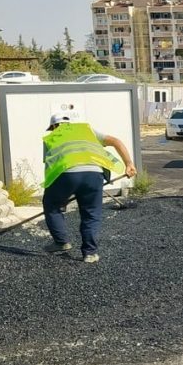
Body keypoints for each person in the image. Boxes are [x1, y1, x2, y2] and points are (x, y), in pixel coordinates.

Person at [42, 112, 137, 263]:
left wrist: (59, 195)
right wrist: (129, 164)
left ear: (53, 126)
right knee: (91, 213)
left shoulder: (52, 137)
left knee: (51, 206)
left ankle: (61, 242)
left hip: (66, 174)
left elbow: (50, 167)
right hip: (94, 174)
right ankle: (90, 253)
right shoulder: (87, 130)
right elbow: (116, 141)